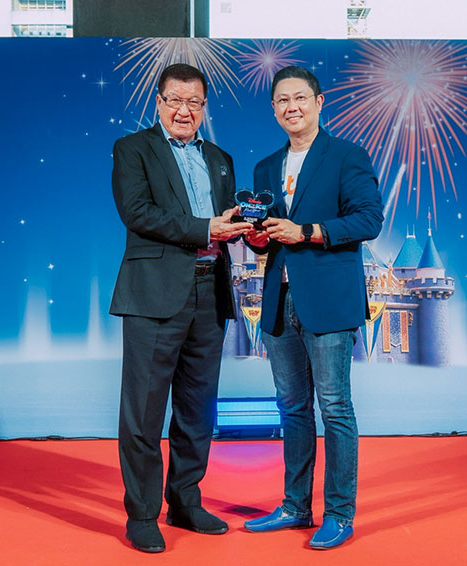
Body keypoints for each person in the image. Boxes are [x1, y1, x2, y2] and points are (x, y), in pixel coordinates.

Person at [110, 63, 252, 553]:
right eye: (175, 100)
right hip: (154, 294)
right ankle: (142, 513)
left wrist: (246, 228)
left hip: (211, 292)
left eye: (194, 102)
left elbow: (225, 219)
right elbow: (137, 213)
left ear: (204, 107)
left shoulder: (220, 158)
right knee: (144, 412)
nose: (184, 110)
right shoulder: (133, 149)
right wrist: (206, 228)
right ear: (158, 102)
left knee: (197, 408)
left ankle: (185, 501)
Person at [242, 66, 383, 549]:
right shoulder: (265, 167)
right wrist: (257, 238)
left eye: (300, 98)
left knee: (335, 408)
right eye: (282, 100)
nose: (292, 107)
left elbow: (368, 219)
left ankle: (339, 514)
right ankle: (295, 506)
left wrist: (308, 232)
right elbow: (265, 239)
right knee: (292, 409)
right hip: (280, 301)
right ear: (273, 109)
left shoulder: (346, 156)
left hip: (329, 302)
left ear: (319, 102)